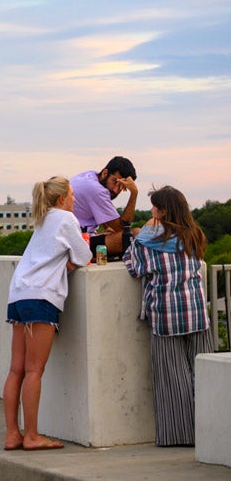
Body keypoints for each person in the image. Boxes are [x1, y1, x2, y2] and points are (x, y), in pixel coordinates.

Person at [2, 176, 91, 451]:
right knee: (34, 371)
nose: (75, 200)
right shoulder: (65, 219)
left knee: (16, 369)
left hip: (18, 294)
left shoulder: (42, 218)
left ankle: (12, 434)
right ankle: (31, 436)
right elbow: (83, 254)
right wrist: (72, 262)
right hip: (40, 296)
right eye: (73, 195)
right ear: (61, 198)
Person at [123, 186, 213, 447]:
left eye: (154, 207)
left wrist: (142, 231)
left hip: (166, 314)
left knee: (173, 378)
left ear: (162, 211)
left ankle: (181, 436)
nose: (151, 210)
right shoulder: (194, 236)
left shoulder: (148, 243)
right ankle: (209, 431)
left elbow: (134, 267)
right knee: (202, 373)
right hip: (196, 310)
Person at [70, 156, 138, 256]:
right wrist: (134, 193)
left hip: (74, 238)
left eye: (121, 186)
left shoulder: (90, 175)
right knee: (135, 234)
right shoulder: (97, 191)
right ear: (105, 173)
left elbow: (97, 208)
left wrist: (107, 227)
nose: (116, 190)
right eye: (115, 182)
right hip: (77, 244)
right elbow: (123, 229)